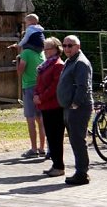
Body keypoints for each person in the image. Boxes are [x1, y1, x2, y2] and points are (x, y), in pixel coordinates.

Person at [56, 34, 94, 185]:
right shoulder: (70, 61)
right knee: (74, 140)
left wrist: (75, 104)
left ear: (78, 47)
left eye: (70, 46)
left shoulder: (80, 63)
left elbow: (83, 86)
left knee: (78, 140)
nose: (66, 49)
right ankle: (80, 171)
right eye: (64, 46)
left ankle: (82, 173)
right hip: (69, 107)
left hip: (79, 108)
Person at [33, 37, 65, 176]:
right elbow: (39, 82)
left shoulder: (58, 64)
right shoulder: (45, 64)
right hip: (45, 105)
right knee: (50, 137)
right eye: (44, 48)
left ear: (56, 49)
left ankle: (59, 166)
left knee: (56, 137)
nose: (45, 51)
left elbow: (55, 86)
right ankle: (55, 165)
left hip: (54, 106)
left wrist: (41, 97)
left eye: (48, 48)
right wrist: (36, 94)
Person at [18, 37, 46, 158]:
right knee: (41, 119)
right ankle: (42, 148)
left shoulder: (26, 53)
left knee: (30, 119)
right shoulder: (42, 52)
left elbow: (19, 71)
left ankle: (33, 149)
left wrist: (18, 59)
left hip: (29, 87)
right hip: (40, 87)